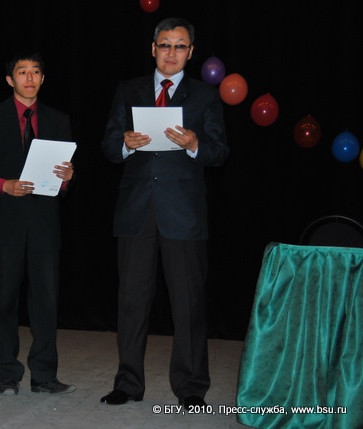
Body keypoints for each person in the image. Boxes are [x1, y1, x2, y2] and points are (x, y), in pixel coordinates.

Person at [100, 17, 229, 407]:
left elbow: (219, 151)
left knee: (188, 303)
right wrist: (125, 143)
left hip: (184, 213)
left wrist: (194, 144)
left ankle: (191, 388)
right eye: (165, 44)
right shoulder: (128, 90)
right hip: (136, 210)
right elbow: (108, 145)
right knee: (131, 301)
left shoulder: (205, 96)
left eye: (180, 45)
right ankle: (128, 383)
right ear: (152, 48)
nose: (171, 52)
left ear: (191, 53)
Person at [0, 51, 76, 396]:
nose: (29, 78)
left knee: (46, 302)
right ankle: (8, 374)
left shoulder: (58, 119)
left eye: (35, 72)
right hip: (4, 221)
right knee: (6, 301)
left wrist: (67, 178)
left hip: (44, 223)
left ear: (43, 78)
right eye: (22, 72)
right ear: (10, 80)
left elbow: (63, 178)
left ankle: (44, 376)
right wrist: (4, 185)